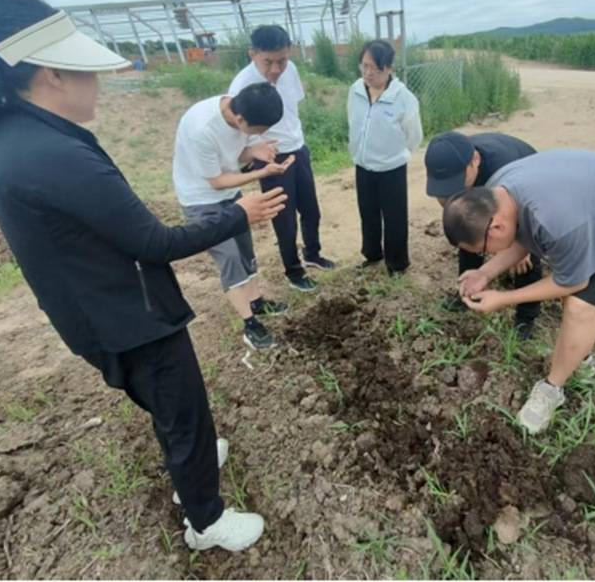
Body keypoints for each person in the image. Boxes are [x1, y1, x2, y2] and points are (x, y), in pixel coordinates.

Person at [0, 0, 286, 551]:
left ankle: (195, 459)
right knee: (181, 409)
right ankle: (205, 520)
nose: (98, 83)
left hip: (99, 309)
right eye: (84, 72)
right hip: (128, 317)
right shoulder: (51, 155)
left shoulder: (19, 139)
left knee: (173, 407)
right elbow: (152, 240)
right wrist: (239, 213)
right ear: (51, 75)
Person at [442, 149, 595, 433]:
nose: (485, 255)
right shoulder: (499, 192)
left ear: (496, 227)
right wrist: (484, 273)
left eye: (482, 252)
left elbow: (573, 282)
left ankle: (551, 389)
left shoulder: (558, 221)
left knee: (579, 304)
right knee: (585, 293)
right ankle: (581, 356)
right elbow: (525, 235)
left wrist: (504, 299)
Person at [173, 83, 293, 350]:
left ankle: (257, 301)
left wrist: (255, 152)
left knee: (244, 249)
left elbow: (235, 152)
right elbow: (216, 181)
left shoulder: (240, 110)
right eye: (258, 130)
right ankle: (250, 325)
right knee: (229, 257)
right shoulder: (202, 128)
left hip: (230, 195)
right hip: (202, 200)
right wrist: (261, 172)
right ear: (240, 119)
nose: (259, 135)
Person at [229, 25, 335, 292]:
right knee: (284, 217)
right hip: (271, 159)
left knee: (311, 209)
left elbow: (293, 110)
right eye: (268, 62)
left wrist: (299, 144)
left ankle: (312, 253)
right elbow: (239, 130)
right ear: (252, 54)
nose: (276, 69)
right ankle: (293, 270)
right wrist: (257, 155)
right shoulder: (242, 86)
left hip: (298, 149)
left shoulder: (292, 71)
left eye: (282, 60)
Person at [424, 131, 541, 339]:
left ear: (475, 161)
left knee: (526, 257)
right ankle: (469, 293)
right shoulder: (447, 161)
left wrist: (522, 246)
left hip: (529, 190)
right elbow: (449, 203)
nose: (453, 190)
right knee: (469, 236)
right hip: (490, 187)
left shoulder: (505, 170)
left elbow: (529, 211)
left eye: (458, 181)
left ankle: (526, 318)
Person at [347, 40, 422, 275]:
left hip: (392, 169)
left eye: (375, 68)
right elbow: (353, 122)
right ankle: (372, 254)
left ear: (389, 68)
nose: (368, 73)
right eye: (364, 66)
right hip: (363, 165)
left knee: (394, 217)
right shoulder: (356, 90)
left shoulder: (403, 97)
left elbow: (414, 135)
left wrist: (397, 155)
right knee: (367, 213)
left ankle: (397, 264)